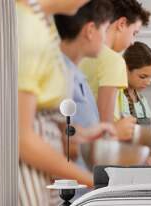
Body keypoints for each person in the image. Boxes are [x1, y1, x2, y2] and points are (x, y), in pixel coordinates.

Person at [17, 0, 112, 206]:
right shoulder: (29, 26)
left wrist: (78, 135)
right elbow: (21, 137)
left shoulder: (43, 25)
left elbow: (42, 115)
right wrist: (93, 180)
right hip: (29, 174)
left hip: (43, 173)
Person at [54, 0, 116, 170]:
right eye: (104, 30)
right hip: (69, 189)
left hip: (81, 186)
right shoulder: (58, 75)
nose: (104, 38)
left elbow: (72, 132)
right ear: (90, 31)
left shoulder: (76, 75)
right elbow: (62, 142)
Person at [80, 0, 151, 141]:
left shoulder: (82, 53)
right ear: (122, 24)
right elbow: (105, 129)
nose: (132, 42)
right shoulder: (114, 61)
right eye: (134, 33)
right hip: (98, 150)